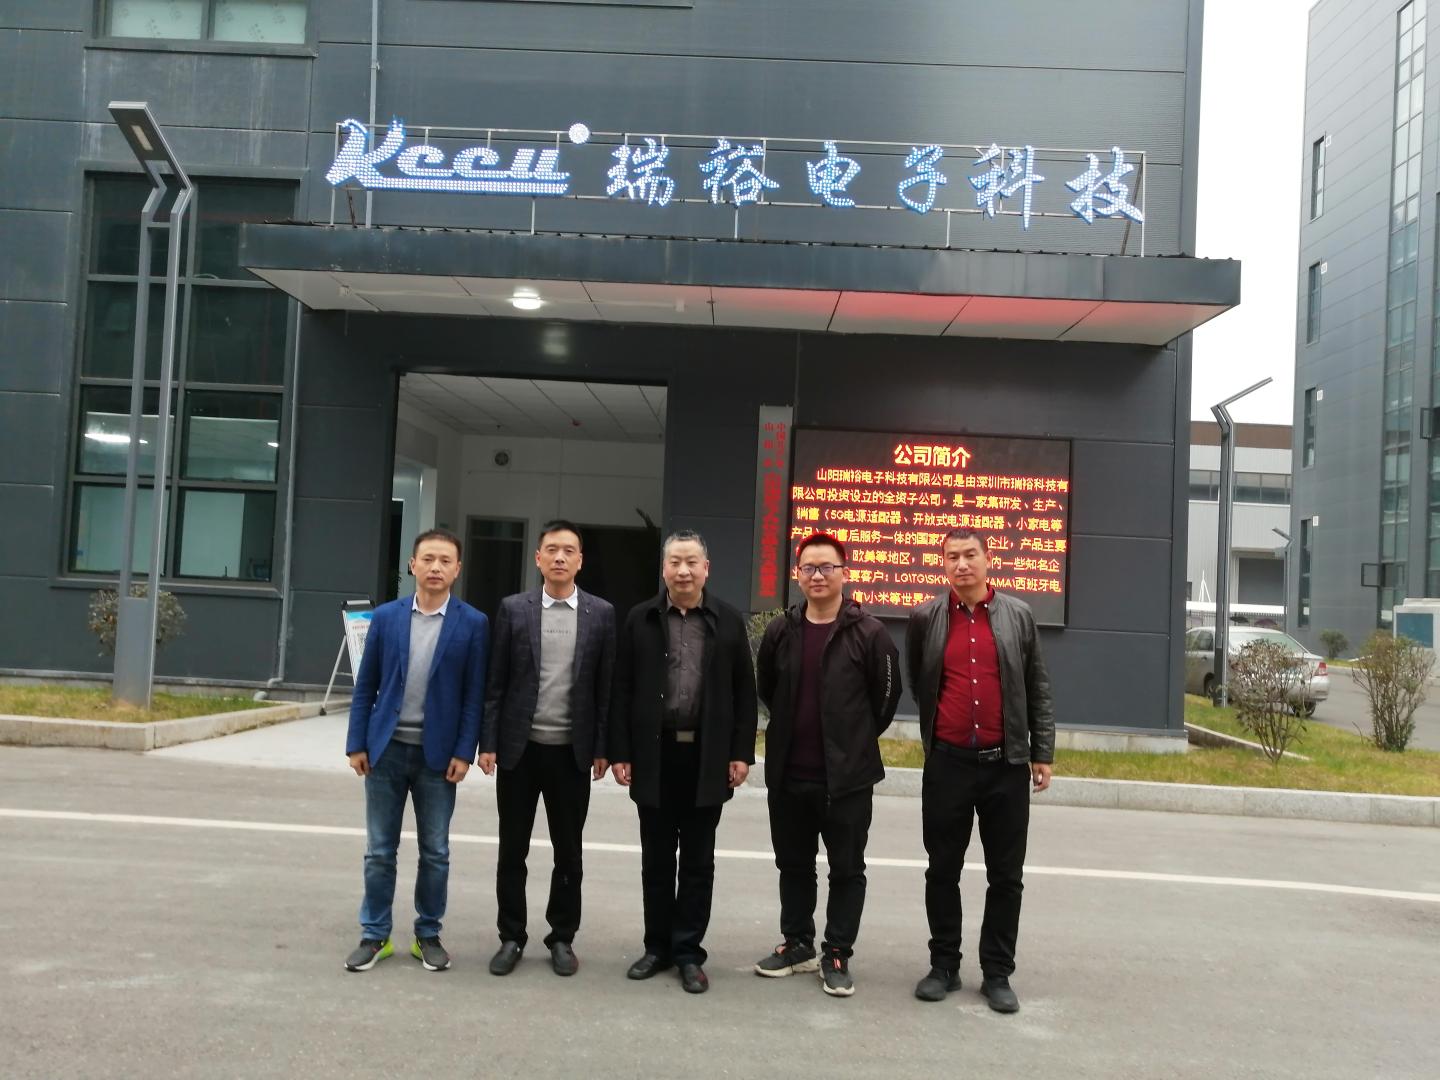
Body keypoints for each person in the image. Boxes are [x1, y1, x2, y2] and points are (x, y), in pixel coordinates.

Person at [904, 528, 1054, 1012]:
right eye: (952, 556)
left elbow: (1037, 686)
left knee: (1006, 876)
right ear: (943, 564)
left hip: (1004, 766)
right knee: (941, 870)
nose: (962, 564)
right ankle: (943, 966)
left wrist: (1042, 751)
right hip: (947, 764)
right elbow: (919, 682)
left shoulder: (1018, 616)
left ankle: (997, 973)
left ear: (989, 560)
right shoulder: (926, 617)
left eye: (971, 555)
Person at [608, 530, 758, 994]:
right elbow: (622, 688)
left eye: (692, 562)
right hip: (654, 755)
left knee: (697, 861)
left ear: (706, 568)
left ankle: (689, 952)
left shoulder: (728, 621)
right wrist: (621, 752)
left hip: (707, 757)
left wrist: (741, 752)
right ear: (664, 568)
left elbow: (744, 693)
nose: (684, 571)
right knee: (656, 860)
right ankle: (657, 947)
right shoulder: (640, 619)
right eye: (675, 562)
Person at [754, 532, 901, 997]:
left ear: (844, 573)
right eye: (809, 568)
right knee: (793, 865)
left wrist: (853, 741)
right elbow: (766, 686)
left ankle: (836, 952)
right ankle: (797, 943)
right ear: (797, 575)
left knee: (846, 869)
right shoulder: (781, 631)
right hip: (789, 775)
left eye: (827, 567)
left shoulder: (870, 633)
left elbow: (886, 698)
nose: (817, 576)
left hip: (847, 780)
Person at [343, 528, 488, 973]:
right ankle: (375, 935)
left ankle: (428, 935)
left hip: (438, 757)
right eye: (428, 559)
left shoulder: (473, 623)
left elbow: (474, 696)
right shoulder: (386, 618)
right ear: (412, 564)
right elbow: (366, 685)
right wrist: (357, 742)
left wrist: (464, 751)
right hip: (385, 750)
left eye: (445, 560)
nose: (435, 567)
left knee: (436, 852)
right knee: (379, 850)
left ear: (457, 569)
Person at [478, 520, 615, 978]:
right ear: (538, 558)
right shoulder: (514, 610)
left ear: (580, 560)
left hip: (571, 753)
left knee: (568, 853)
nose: (559, 557)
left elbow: (605, 689)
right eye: (551, 550)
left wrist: (602, 747)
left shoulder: (601, 613)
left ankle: (561, 937)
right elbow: (495, 683)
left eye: (568, 551)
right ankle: (511, 936)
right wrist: (488, 742)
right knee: (512, 850)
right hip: (519, 751)